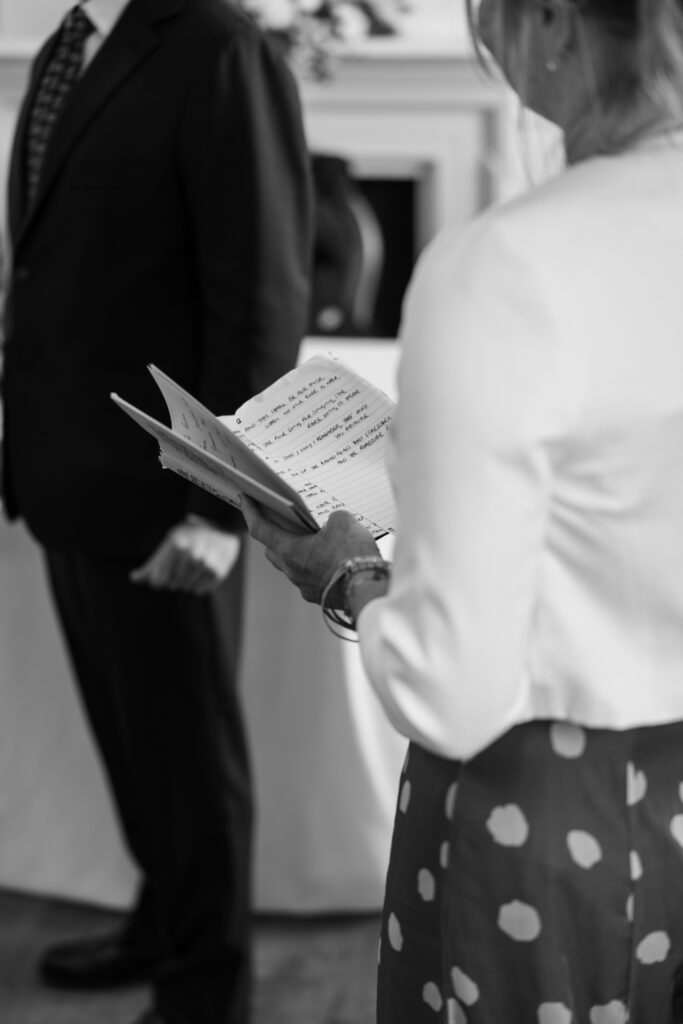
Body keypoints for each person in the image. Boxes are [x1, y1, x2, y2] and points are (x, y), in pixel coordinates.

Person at [241, 0, 683, 1019]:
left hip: (550, 807)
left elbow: (452, 684)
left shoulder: (503, 266)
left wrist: (341, 574)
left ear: (556, 28)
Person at [0, 0, 312, 1022]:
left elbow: (260, 301)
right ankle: (160, 922)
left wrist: (224, 511)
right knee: (134, 745)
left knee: (187, 764)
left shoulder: (220, 47)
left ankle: (202, 988)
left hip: (165, 497)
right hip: (68, 480)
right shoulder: (66, 46)